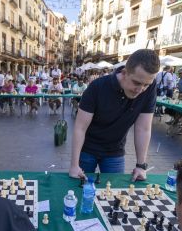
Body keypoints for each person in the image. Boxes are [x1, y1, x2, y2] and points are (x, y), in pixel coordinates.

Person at [69, 49, 160, 178]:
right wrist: (74, 165)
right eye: (136, 83)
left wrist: (141, 166)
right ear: (124, 73)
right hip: (87, 149)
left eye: (146, 84)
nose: (140, 90)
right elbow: (80, 128)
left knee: (114, 193)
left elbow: (143, 128)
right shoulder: (97, 87)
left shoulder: (150, 88)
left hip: (115, 152)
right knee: (80, 190)